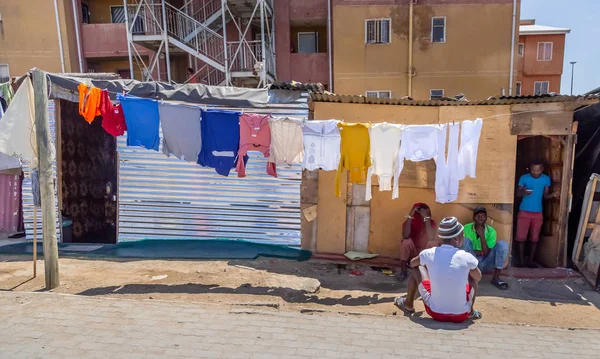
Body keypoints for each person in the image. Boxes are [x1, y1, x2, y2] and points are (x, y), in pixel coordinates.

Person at [395, 217, 482, 322]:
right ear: (456, 239)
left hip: (435, 313)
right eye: (462, 235)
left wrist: (432, 266)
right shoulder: (466, 257)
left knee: (417, 267)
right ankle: (471, 312)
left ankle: (408, 305)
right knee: (473, 276)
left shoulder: (429, 253)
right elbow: (478, 277)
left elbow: (413, 263)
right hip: (461, 315)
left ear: (440, 238)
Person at [515, 159, 558, 268]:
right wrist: (524, 192)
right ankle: (520, 261)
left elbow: (545, 196)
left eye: (538, 170)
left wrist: (553, 195)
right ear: (530, 168)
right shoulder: (524, 178)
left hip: (538, 213)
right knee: (521, 238)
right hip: (524, 211)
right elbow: (518, 193)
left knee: (534, 238)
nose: (535, 172)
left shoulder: (546, 179)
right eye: (533, 170)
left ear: (542, 169)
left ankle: (530, 261)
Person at [463, 207, 509, 290]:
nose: (480, 217)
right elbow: (463, 250)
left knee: (503, 244)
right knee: (465, 241)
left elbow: (487, 253)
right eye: (478, 215)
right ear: (473, 218)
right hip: (471, 262)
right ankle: (467, 277)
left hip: (487, 262)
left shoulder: (491, 231)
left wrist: (482, 236)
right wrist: (480, 252)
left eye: (483, 216)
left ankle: (496, 278)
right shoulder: (466, 228)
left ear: (486, 218)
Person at [397, 203, 437, 282]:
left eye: (428, 214)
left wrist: (426, 219)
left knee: (433, 243)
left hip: (425, 253)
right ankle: (403, 271)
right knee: (406, 242)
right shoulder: (411, 222)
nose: (426, 216)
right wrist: (409, 216)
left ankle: (430, 270)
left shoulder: (431, 223)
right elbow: (405, 235)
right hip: (414, 254)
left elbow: (431, 237)